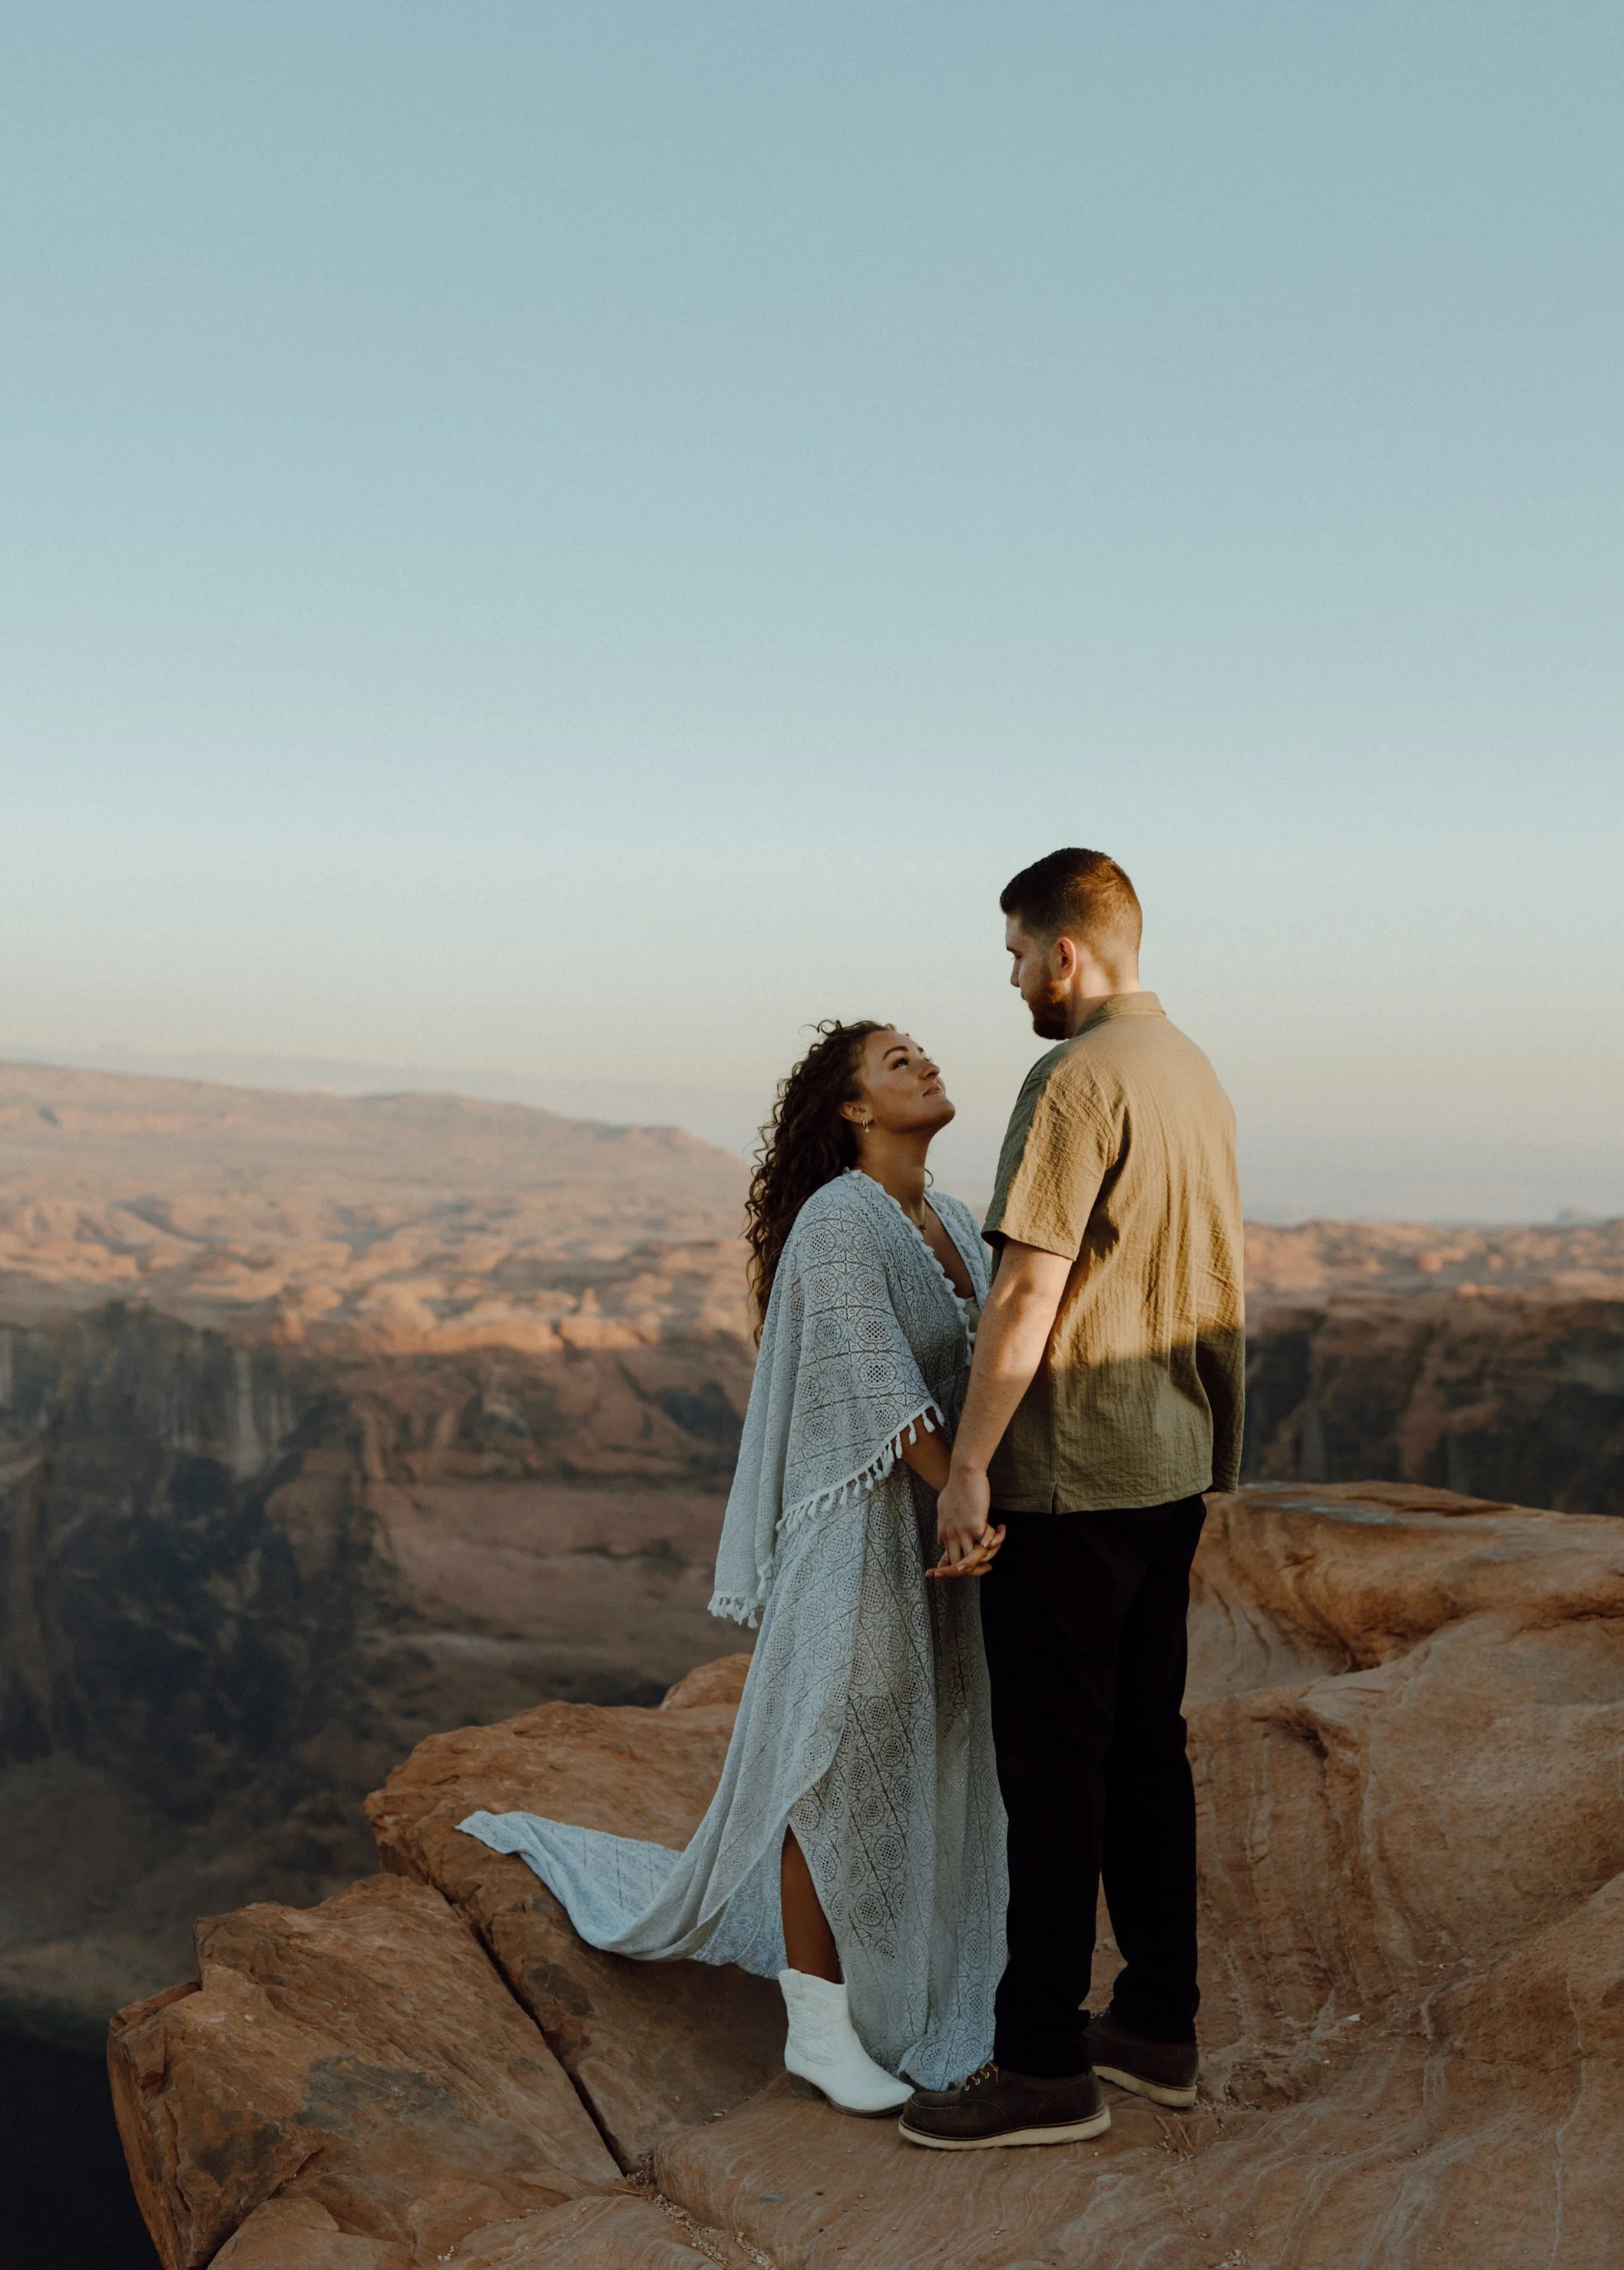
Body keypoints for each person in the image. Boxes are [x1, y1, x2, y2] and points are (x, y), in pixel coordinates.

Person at [459, 1021, 1008, 2112]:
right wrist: (962, 1500)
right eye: (896, 1062)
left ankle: (926, 1990)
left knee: (934, 1757)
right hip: (858, 1543)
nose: (925, 1063)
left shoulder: (949, 1217)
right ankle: (817, 2025)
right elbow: (881, 1390)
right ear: (853, 1110)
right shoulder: (838, 1217)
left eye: (920, 1052)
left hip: (935, 1535)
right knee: (830, 1764)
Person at [897, 849, 1243, 2154]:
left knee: (1052, 1769)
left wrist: (973, 1462)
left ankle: (1042, 2064)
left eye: (1013, 958)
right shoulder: (1191, 1071)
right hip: (1167, 1464)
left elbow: (1029, 1290)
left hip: (1071, 1473)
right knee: (1146, 1750)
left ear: (1064, 954)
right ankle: (1158, 2025)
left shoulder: (1075, 1077)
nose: (1012, 984)